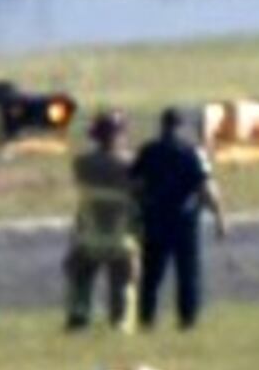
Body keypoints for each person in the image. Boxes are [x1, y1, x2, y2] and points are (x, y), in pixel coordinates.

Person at [130, 107, 227, 329]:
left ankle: (147, 318)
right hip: (184, 219)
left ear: (162, 125)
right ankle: (187, 318)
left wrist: (138, 209)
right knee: (188, 272)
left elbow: (135, 185)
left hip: (154, 216)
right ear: (181, 127)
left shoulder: (149, 150)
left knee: (152, 272)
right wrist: (220, 217)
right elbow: (206, 187)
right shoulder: (192, 152)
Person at [63, 111, 143, 333]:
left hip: (89, 236)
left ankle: (78, 315)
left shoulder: (82, 163)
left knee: (78, 274)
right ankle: (121, 322)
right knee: (124, 282)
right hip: (121, 238)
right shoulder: (130, 165)